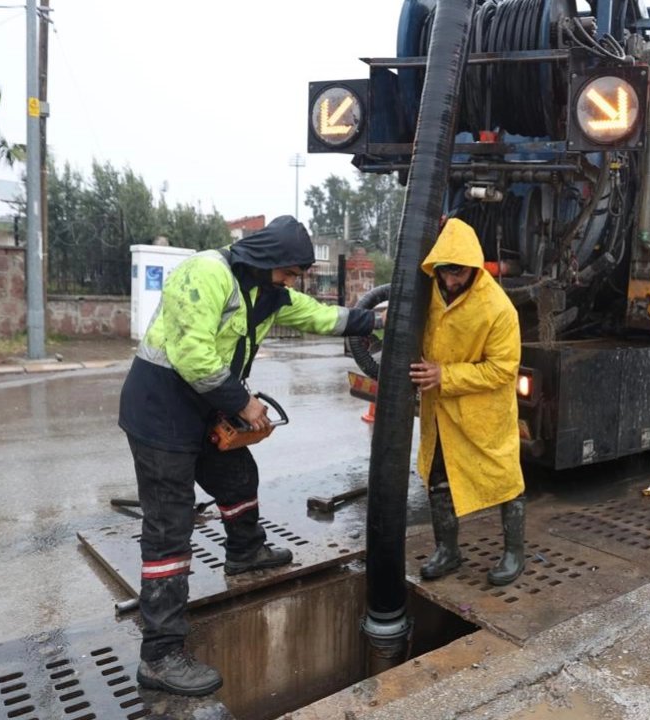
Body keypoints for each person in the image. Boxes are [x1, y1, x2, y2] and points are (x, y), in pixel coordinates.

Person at [118, 216, 383, 696]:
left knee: (238, 476)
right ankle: (159, 655)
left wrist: (377, 320)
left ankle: (245, 553)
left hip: (205, 405)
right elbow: (192, 353)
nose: (291, 282)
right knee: (169, 526)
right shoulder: (205, 273)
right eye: (289, 272)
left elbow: (321, 317)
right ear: (267, 260)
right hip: (160, 409)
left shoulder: (268, 292)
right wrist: (242, 403)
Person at [410, 219, 526, 587]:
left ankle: (514, 553)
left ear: (474, 266)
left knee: (505, 479)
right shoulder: (428, 291)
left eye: (457, 273)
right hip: (439, 410)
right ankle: (448, 550)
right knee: (438, 477)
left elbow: (502, 369)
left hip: (483, 413)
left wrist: (446, 376)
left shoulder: (498, 309)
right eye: (444, 272)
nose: (450, 281)